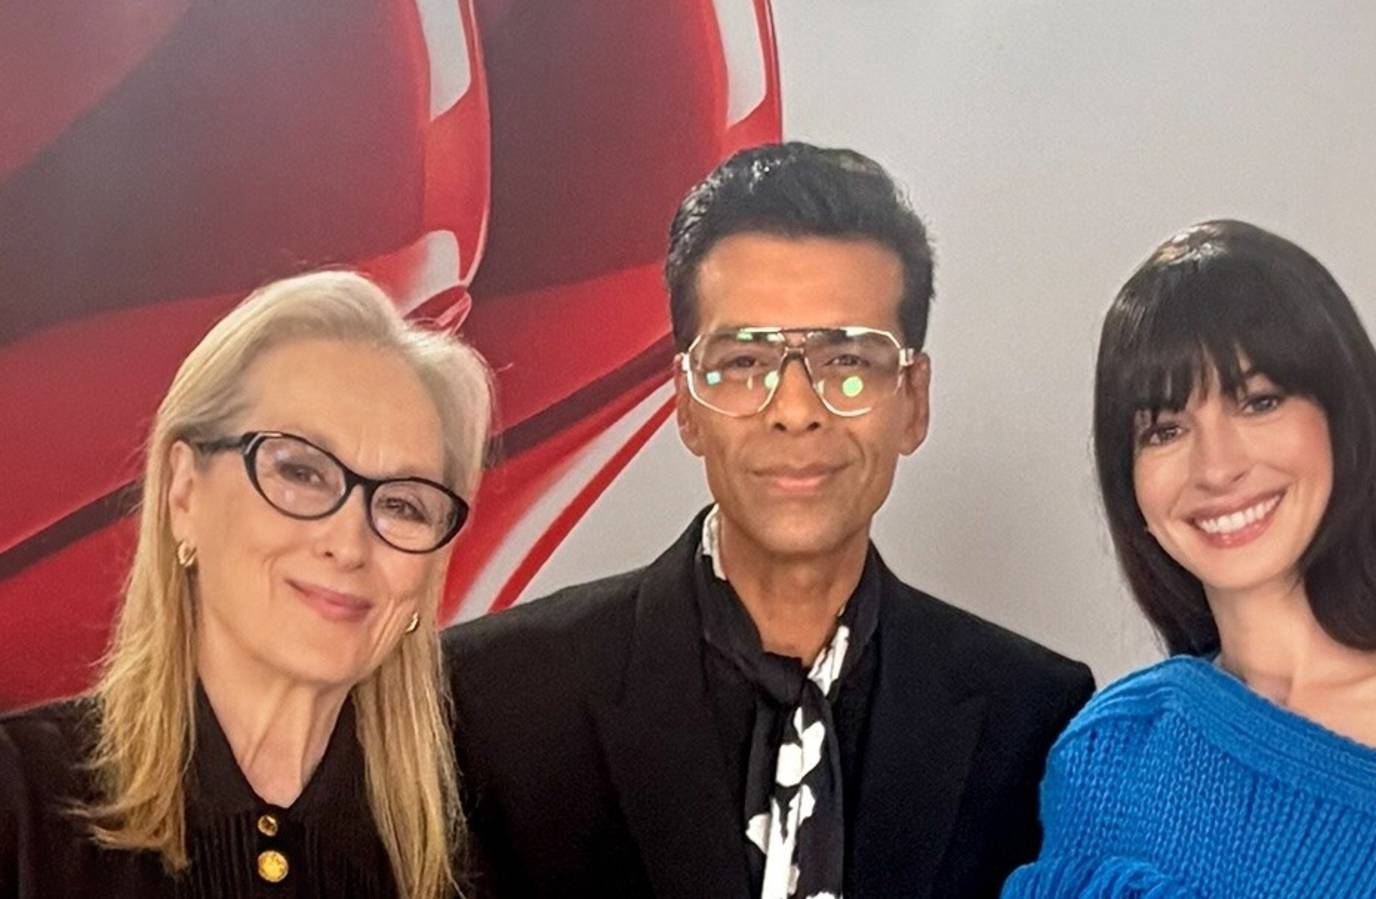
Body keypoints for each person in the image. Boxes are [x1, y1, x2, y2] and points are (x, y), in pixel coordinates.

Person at [445, 142, 1095, 899]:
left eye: (847, 360)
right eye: (744, 363)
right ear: (686, 405)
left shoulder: (1033, 720)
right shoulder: (498, 700)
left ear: (913, 400)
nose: (793, 410)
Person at [0, 271, 492, 899]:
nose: (349, 545)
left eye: (402, 505)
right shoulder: (20, 805)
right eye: (301, 472)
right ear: (185, 493)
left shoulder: (475, 859)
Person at [1003, 220, 1376, 897]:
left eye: (1259, 401)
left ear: (1344, 415)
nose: (1217, 468)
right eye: (1166, 429)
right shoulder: (1108, 755)